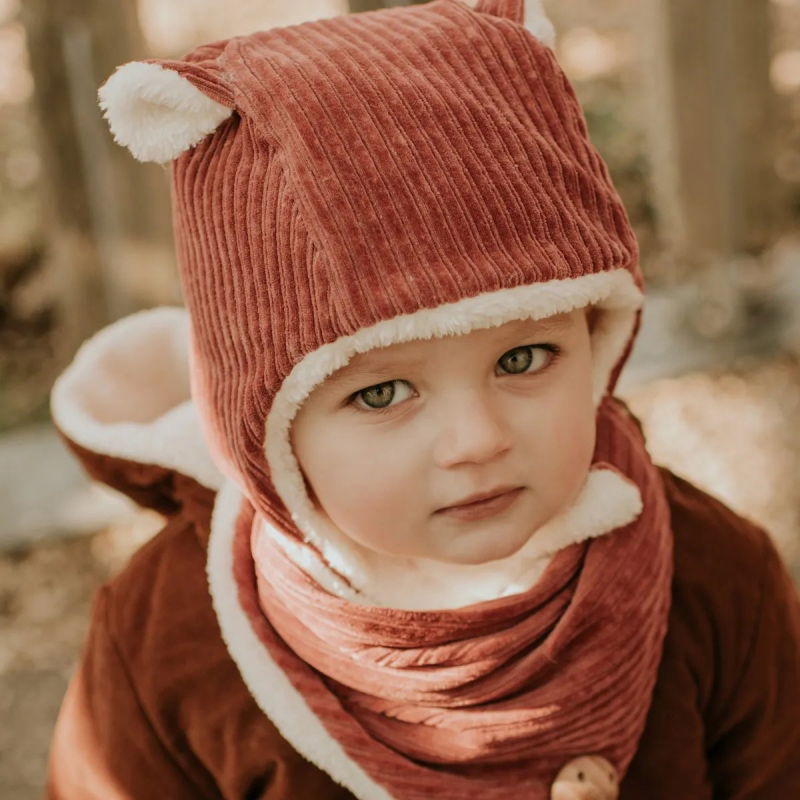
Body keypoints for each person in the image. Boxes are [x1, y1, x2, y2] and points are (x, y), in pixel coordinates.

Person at [45, 1, 800, 798]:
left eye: (523, 356)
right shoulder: (166, 646)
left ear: (598, 340)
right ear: (265, 429)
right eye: (381, 392)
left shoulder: (713, 575)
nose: (476, 440)